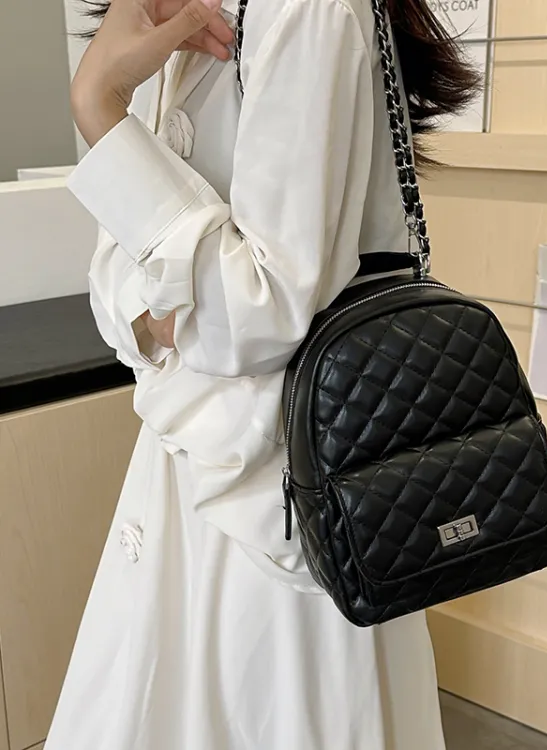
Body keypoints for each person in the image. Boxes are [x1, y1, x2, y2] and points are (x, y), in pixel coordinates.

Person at [46, 0, 479, 748]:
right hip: (196, 479)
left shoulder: (304, 10)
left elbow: (253, 314)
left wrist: (98, 104)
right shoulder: (171, 11)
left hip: (280, 511)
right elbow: (116, 290)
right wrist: (173, 308)